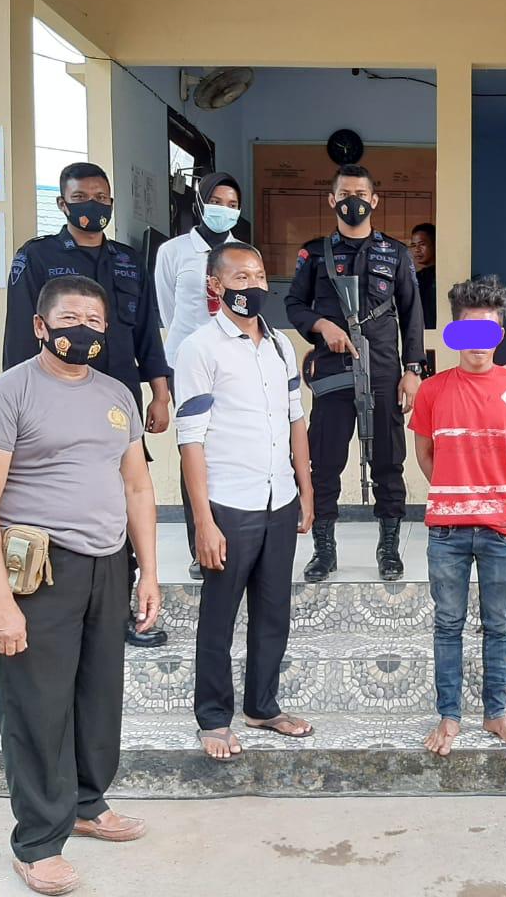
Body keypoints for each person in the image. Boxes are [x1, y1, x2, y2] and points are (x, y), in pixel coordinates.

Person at [0, 274, 161, 896]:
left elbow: (137, 486)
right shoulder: (6, 394)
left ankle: (87, 803)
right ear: (40, 326)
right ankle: (38, 841)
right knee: (37, 705)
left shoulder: (117, 394)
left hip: (108, 563)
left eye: (95, 322)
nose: (84, 330)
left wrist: (149, 571)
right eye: (70, 318)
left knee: (98, 696)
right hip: (40, 569)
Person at [3, 161, 171, 648]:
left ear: (111, 202)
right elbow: (20, 336)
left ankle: (122, 609)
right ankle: (50, 606)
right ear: (62, 203)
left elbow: (146, 331)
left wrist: (160, 393)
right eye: (80, 198)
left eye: (100, 198)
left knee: (124, 498)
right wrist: (24, 406)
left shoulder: (127, 261)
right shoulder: (37, 257)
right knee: (63, 496)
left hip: (119, 402)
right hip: (56, 401)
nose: (92, 207)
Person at [175, 242, 316, 757]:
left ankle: (262, 706)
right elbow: (190, 440)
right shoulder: (199, 348)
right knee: (220, 616)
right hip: (229, 505)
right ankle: (213, 718)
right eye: (239, 277)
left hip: (279, 498)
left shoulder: (280, 346)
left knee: (273, 610)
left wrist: (306, 489)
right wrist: (203, 521)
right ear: (215, 286)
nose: (252, 285)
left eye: (257, 276)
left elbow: (295, 419)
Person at [410, 275, 506, 757]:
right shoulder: (432, 391)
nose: (478, 342)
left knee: (499, 624)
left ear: (500, 334)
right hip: (446, 529)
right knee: (448, 623)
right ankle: (449, 715)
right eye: (468, 331)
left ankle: (495, 713)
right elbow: (425, 454)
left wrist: (492, 491)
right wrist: (455, 491)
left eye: (487, 331)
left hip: (500, 529)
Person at [284, 163, 425, 582]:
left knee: (388, 460)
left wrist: (413, 369)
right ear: (332, 200)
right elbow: (294, 304)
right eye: (345, 194)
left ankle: (389, 547)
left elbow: (412, 313)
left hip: (382, 369)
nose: (353, 202)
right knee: (325, 461)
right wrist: (321, 326)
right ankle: (323, 549)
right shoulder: (314, 254)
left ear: (374, 200)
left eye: (361, 195)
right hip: (332, 370)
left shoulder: (395, 254)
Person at [154, 172, 243, 580]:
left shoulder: (242, 253)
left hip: (231, 365)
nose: (225, 210)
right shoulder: (172, 252)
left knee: (229, 450)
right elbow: (168, 310)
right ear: (200, 202)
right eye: (217, 202)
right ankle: (199, 544)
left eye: (232, 204)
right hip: (187, 366)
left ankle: (232, 537)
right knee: (195, 451)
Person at [410, 222, 437, 330]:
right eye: (413, 245)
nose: (417, 249)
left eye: (422, 244)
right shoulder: (415, 278)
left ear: (434, 244)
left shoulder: (441, 276)